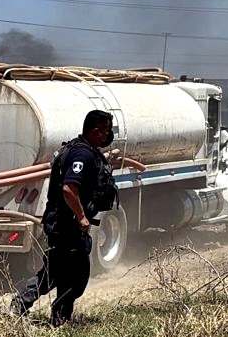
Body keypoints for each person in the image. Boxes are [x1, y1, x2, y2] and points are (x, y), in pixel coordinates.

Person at [10, 109, 145, 325]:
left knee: (65, 273)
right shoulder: (81, 154)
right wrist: (81, 216)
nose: (107, 136)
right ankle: (25, 305)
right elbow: (69, 188)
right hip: (66, 224)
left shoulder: (85, 150)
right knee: (66, 273)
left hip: (67, 223)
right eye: (105, 132)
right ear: (94, 131)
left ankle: (58, 317)